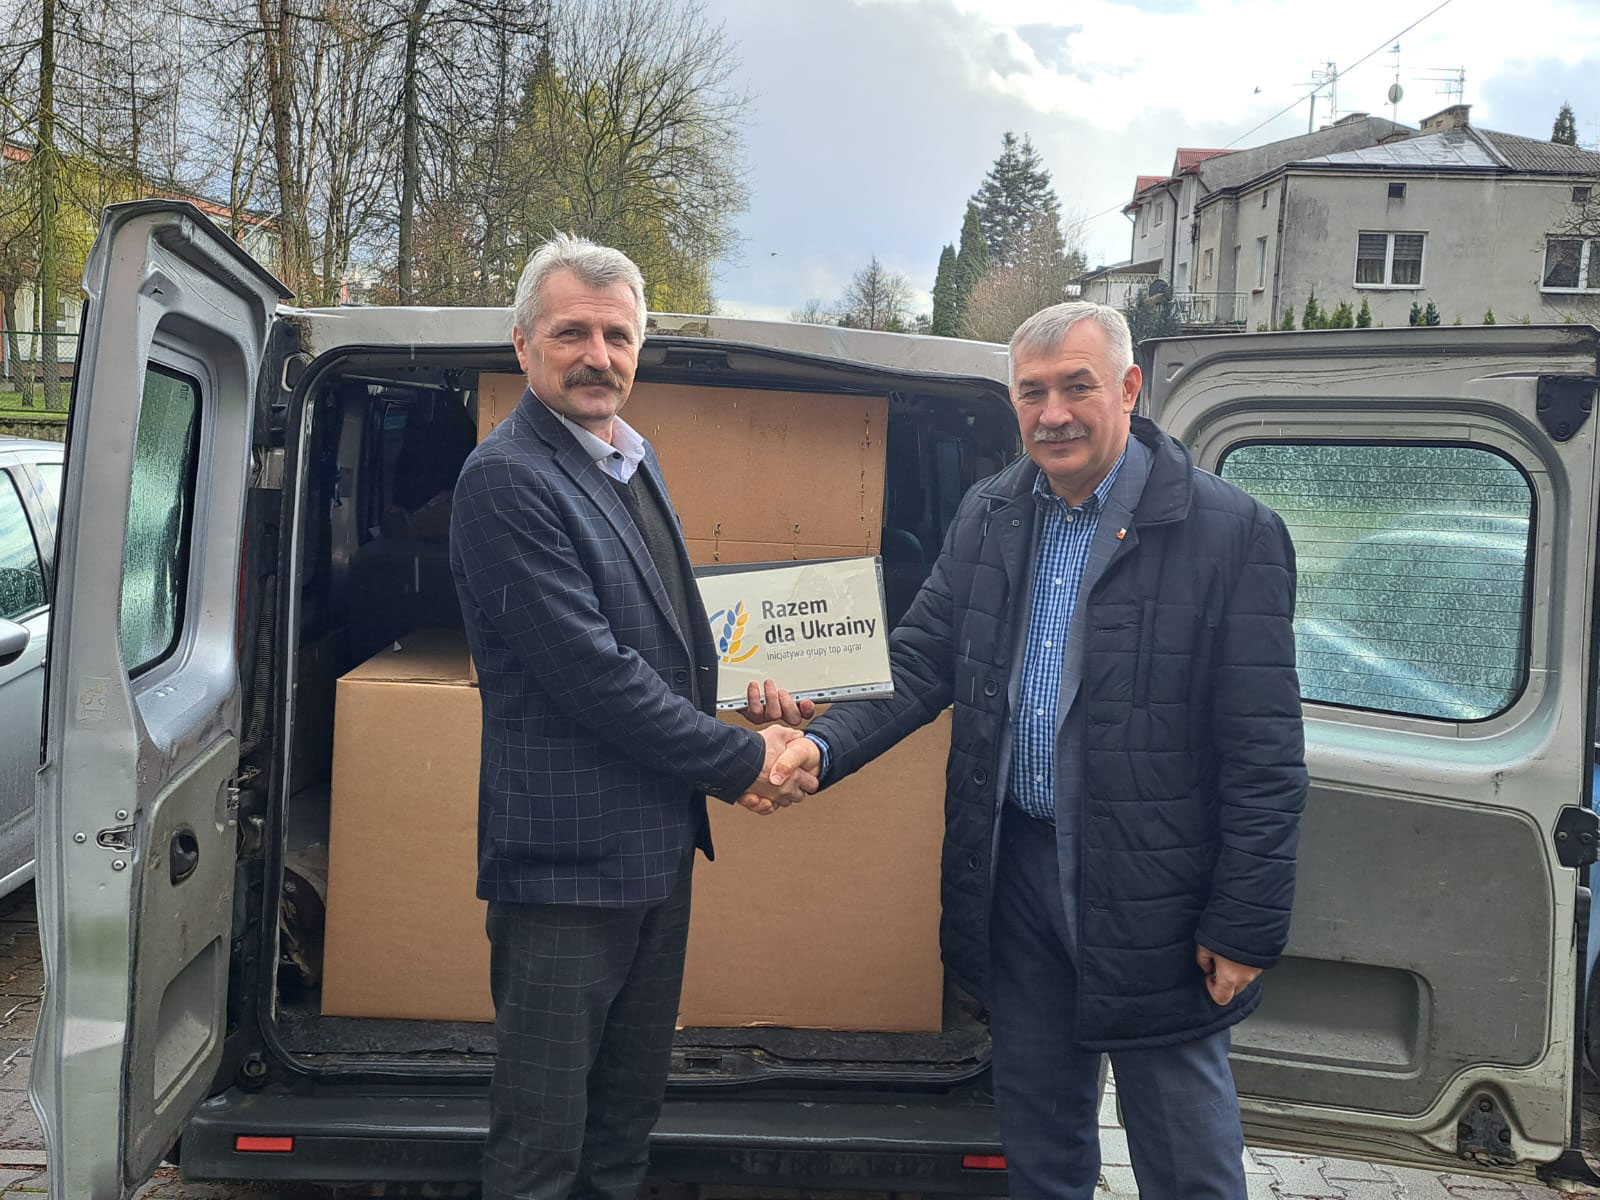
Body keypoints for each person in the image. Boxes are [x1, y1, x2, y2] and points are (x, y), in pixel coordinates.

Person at [762, 301, 1307, 1199]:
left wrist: (1242, 925)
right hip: (1016, 871)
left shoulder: (1230, 533)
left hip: (1156, 896)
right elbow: (921, 659)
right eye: (1033, 393)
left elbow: (1265, 756)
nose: (1053, 413)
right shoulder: (991, 513)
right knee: (1042, 1146)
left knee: (1188, 1161)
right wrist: (820, 748)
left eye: (1077, 388)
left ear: (1130, 389)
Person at [449, 233, 815, 1200]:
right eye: (572, 331)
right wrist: (743, 764)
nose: (597, 354)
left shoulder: (623, 457)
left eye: (617, 334)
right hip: (566, 874)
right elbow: (594, 676)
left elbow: (659, 636)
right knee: (542, 1146)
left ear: (640, 346)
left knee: (623, 1128)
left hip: (651, 856)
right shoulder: (509, 479)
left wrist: (750, 699)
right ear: (523, 343)